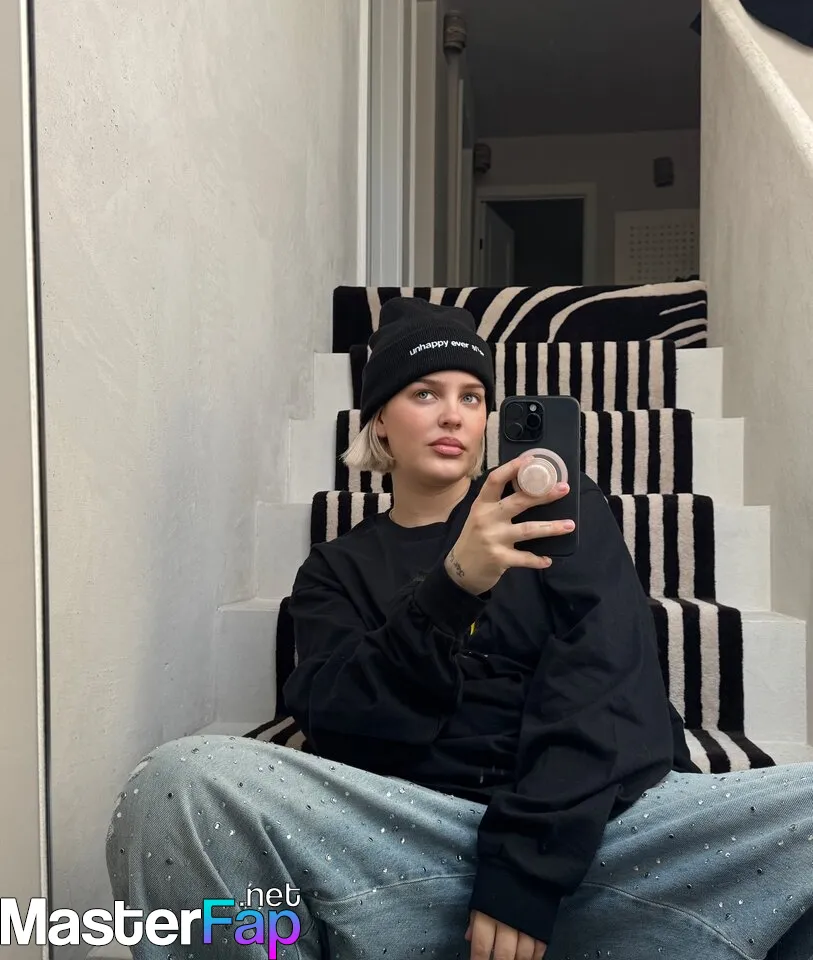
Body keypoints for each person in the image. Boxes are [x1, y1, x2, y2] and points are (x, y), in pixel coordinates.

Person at [108, 299, 813, 960]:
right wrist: (451, 590)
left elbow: (610, 690)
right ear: (379, 421)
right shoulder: (336, 568)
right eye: (424, 393)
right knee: (179, 783)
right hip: (405, 841)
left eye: (471, 397)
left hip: (597, 835)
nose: (453, 415)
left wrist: (524, 873)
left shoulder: (559, 515)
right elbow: (342, 725)